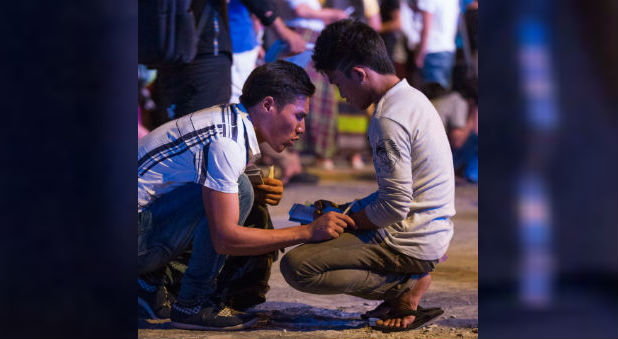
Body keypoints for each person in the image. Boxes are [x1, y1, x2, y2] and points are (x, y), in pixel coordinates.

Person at [138, 61, 355, 330]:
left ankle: (146, 285)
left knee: (243, 188)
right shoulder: (227, 142)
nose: (301, 128)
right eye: (298, 116)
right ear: (268, 105)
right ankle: (193, 303)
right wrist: (308, 232)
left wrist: (256, 185)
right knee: (240, 190)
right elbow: (225, 239)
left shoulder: (228, 119)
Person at [279, 20, 455, 332]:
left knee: (297, 267)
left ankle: (403, 285)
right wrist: (347, 210)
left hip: (409, 239)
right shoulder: (411, 99)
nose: (340, 95)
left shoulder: (387, 119)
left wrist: (348, 222)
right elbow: (399, 193)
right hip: (430, 229)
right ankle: (403, 279)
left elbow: (395, 206)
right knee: (328, 219)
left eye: (337, 84)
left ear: (359, 74)